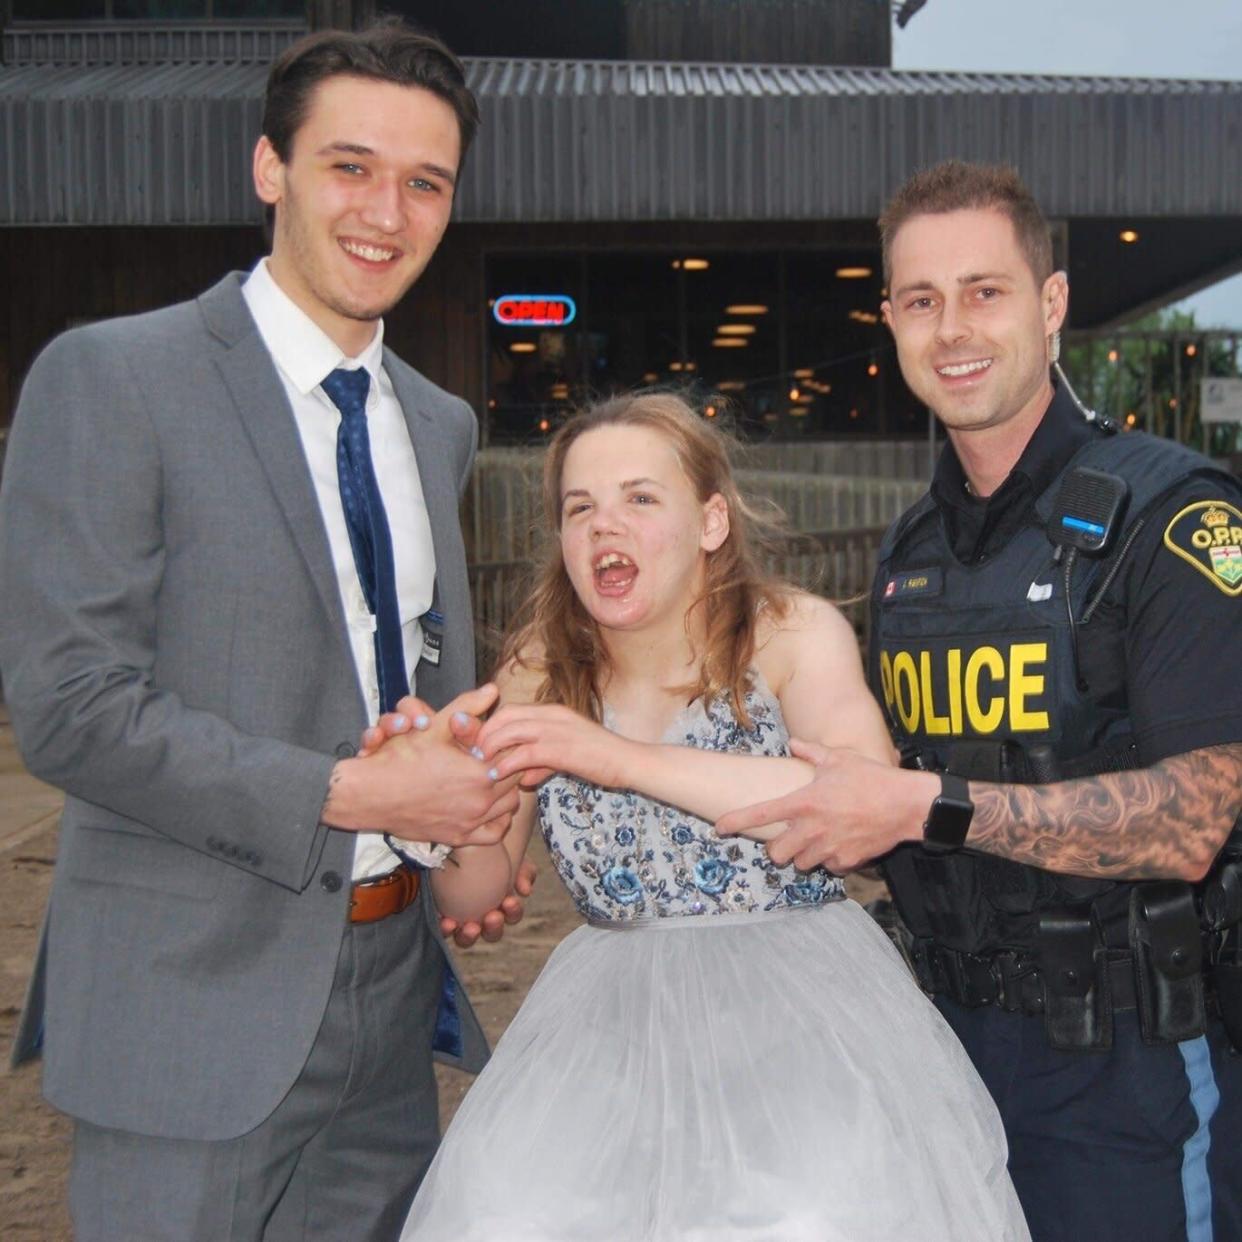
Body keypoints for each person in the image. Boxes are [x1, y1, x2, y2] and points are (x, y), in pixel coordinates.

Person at [0, 21, 529, 1241]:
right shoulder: (114, 379)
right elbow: (71, 706)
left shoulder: (438, 423)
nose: (385, 211)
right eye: (350, 165)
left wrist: (463, 831)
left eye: (426, 182)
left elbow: (422, 701)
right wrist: (352, 793)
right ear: (269, 169)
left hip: (396, 1012)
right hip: (189, 1008)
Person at [718, 160, 1242, 1241]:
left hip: (1127, 1066)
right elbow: (877, 807)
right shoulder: (913, 552)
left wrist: (922, 810)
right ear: (891, 322)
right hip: (939, 1056)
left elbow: (1197, 821)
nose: (951, 327)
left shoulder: (1173, 517)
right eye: (921, 299)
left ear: (1051, 306)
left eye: (985, 291)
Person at [379, 391, 1029, 1240]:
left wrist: (613, 757)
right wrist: (427, 805)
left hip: (801, 1014)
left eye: (640, 499)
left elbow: (860, 809)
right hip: (606, 1027)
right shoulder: (538, 668)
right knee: (511, 1212)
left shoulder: (795, 634)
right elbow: (474, 898)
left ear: (712, 522)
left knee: (803, 1217)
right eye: (581, 509)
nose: (604, 527)